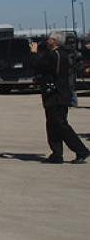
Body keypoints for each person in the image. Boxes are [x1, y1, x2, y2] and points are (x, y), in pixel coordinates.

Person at [31, 33, 89, 164]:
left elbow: (36, 65)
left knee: (60, 124)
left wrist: (34, 52)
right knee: (52, 123)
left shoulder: (53, 55)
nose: (47, 41)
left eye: (50, 39)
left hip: (56, 94)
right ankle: (57, 154)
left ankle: (81, 150)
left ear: (55, 41)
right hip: (61, 92)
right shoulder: (64, 54)